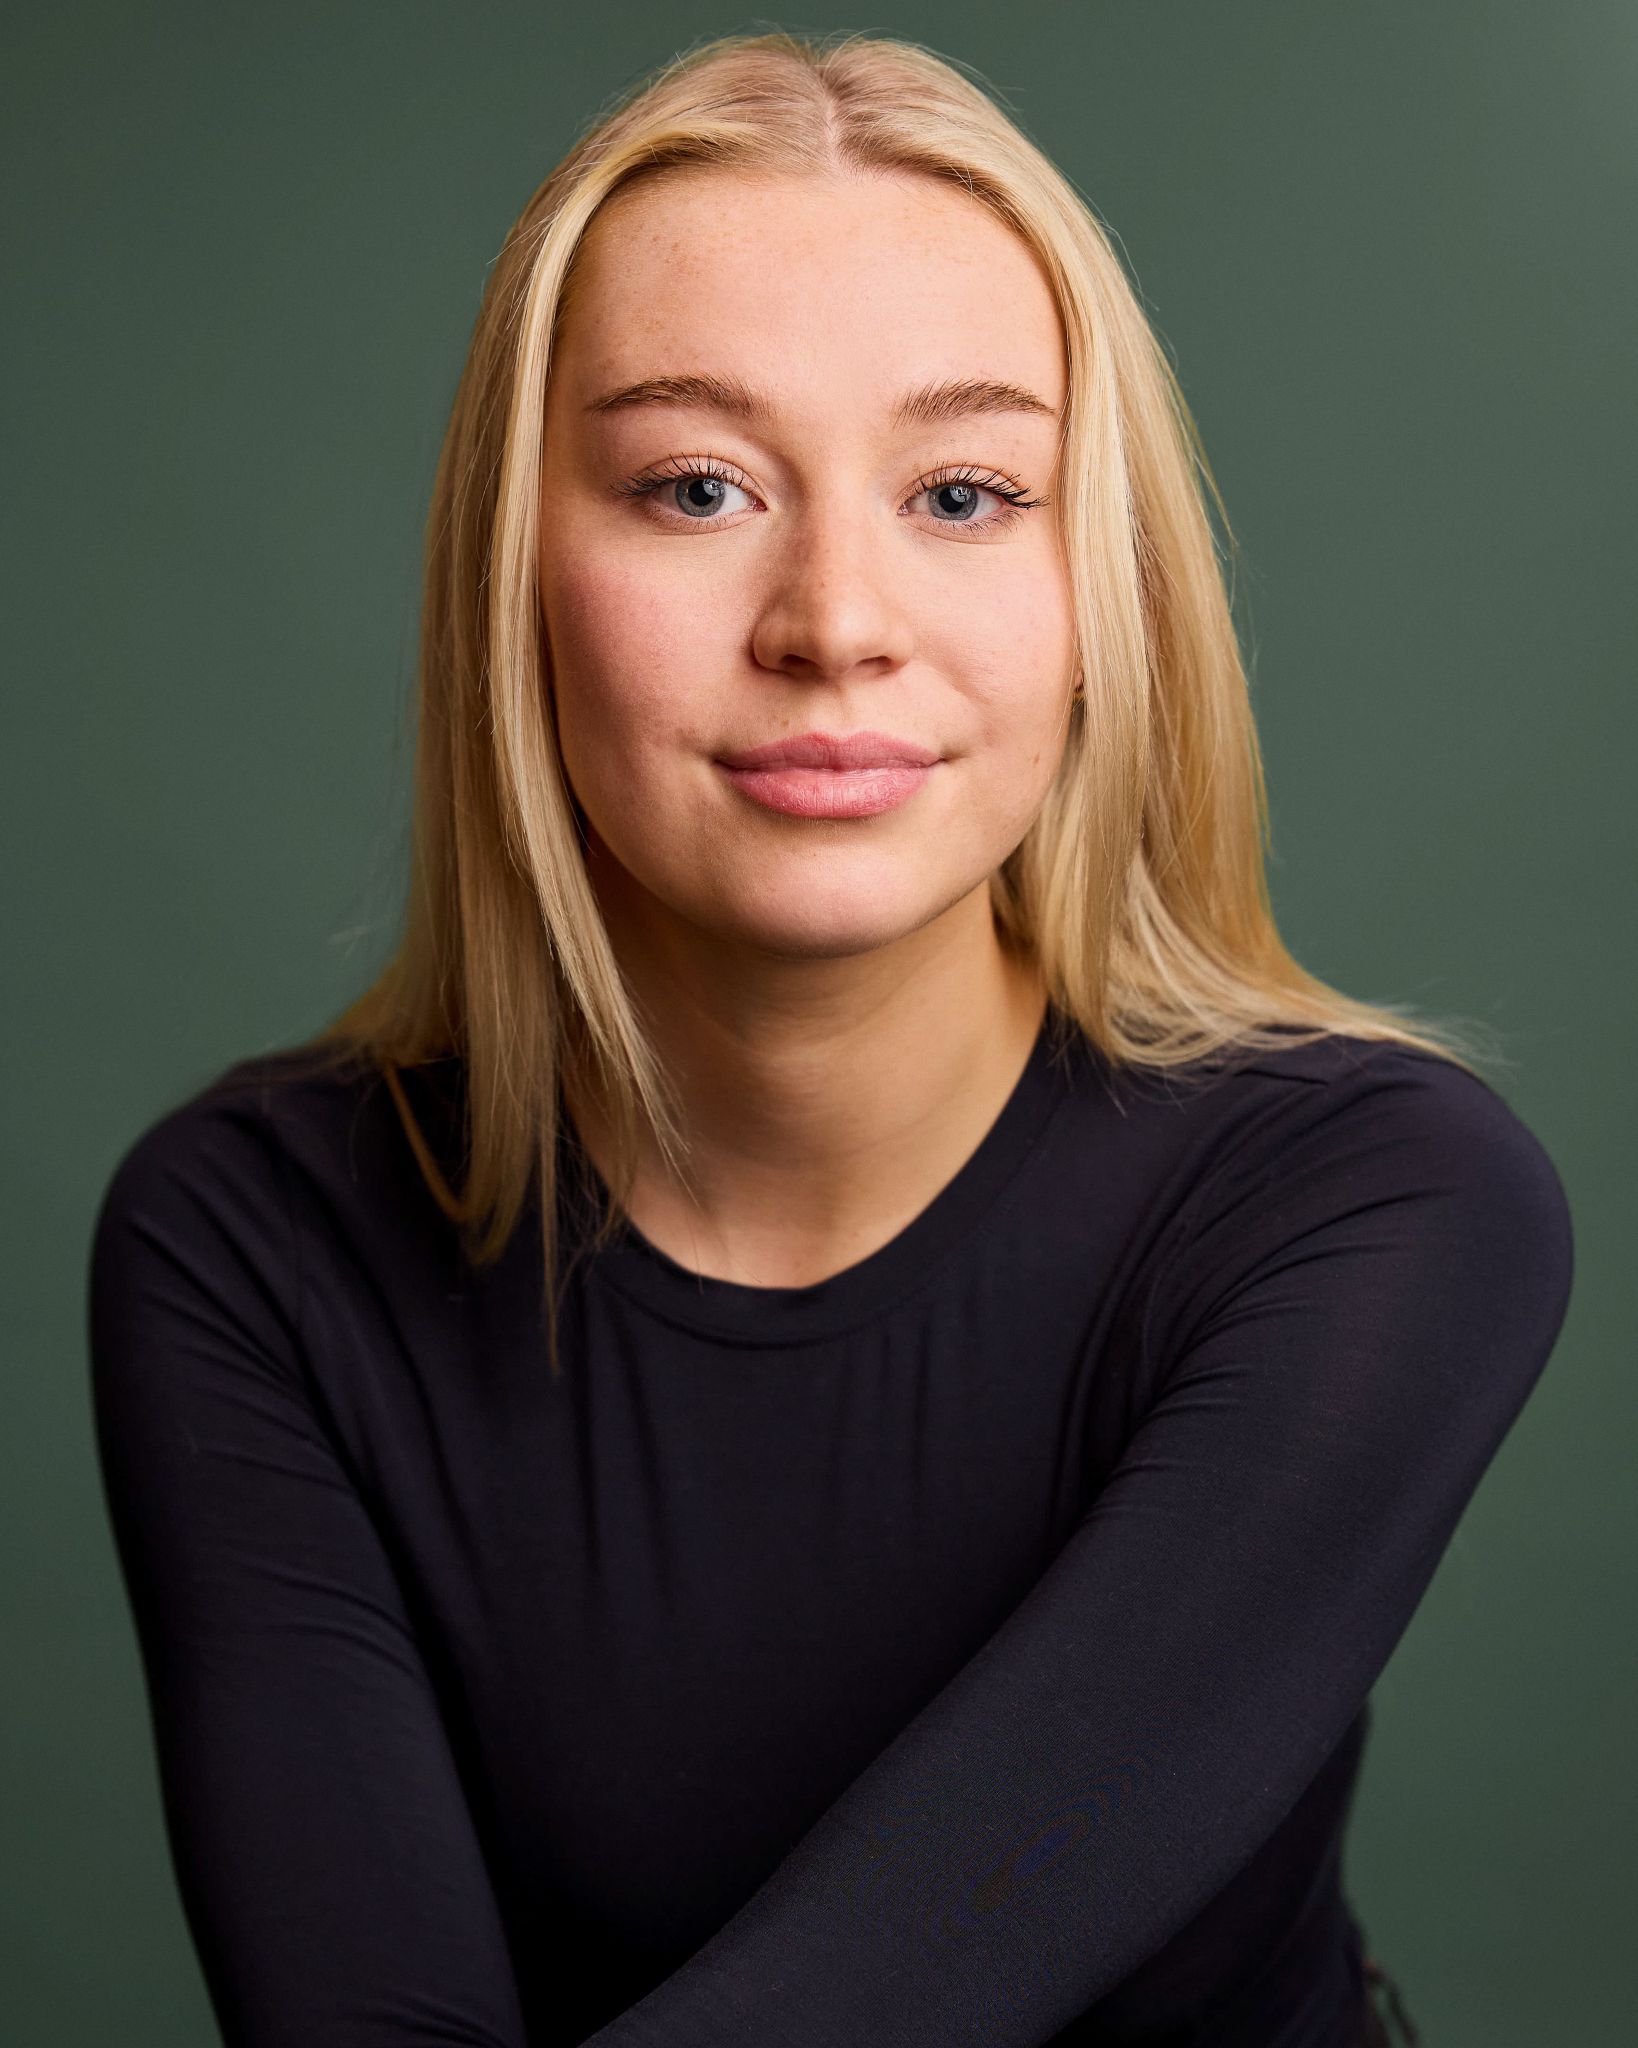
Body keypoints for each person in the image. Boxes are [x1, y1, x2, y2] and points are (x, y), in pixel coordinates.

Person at [86, 29, 1571, 2048]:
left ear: (1096, 588)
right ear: (519, 575)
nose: (835, 618)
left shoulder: (1379, 1204)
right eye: (697, 486)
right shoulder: (253, 1240)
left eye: (964, 490)